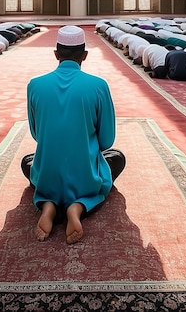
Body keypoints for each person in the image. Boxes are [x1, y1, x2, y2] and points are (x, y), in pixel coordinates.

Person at [21, 25, 125, 244]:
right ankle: (78, 206)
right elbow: (107, 141)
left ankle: (49, 204)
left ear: (56, 54)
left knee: (27, 163)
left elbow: (37, 135)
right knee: (117, 158)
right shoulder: (98, 86)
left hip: (47, 177)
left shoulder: (35, 85)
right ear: (84, 55)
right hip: (85, 178)